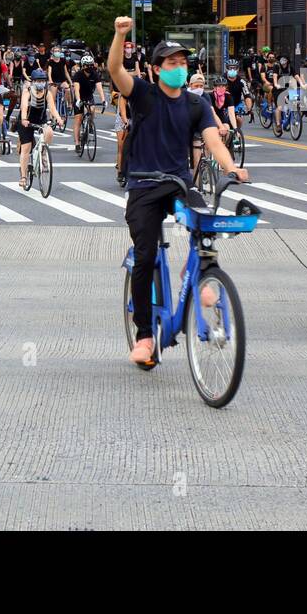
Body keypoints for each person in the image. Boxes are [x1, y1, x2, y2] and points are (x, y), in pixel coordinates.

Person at [108, 18, 248, 366]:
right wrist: (119, 35)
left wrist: (230, 167)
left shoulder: (196, 104)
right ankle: (143, 337)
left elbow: (212, 139)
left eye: (183, 63)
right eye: (171, 63)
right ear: (156, 70)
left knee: (205, 227)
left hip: (180, 183)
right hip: (143, 185)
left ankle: (198, 272)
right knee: (144, 256)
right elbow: (114, 69)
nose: (179, 68)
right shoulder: (143, 93)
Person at [16, 68, 62, 186]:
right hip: (26, 121)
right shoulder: (27, 92)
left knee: (49, 132)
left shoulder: (47, 93)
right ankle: (23, 176)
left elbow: (52, 108)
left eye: (43, 80)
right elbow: (24, 107)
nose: (41, 83)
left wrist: (58, 118)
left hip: (41, 120)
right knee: (26, 148)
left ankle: (43, 153)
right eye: (38, 80)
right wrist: (24, 119)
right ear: (33, 81)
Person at [71, 54, 108, 153]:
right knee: (78, 118)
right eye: (87, 65)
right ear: (83, 66)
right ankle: (77, 143)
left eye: (91, 65)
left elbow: (100, 88)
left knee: (92, 109)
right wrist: (78, 100)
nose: (89, 67)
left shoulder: (95, 74)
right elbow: (77, 90)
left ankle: (90, 124)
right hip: (80, 97)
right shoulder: (78, 75)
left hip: (89, 96)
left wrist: (104, 100)